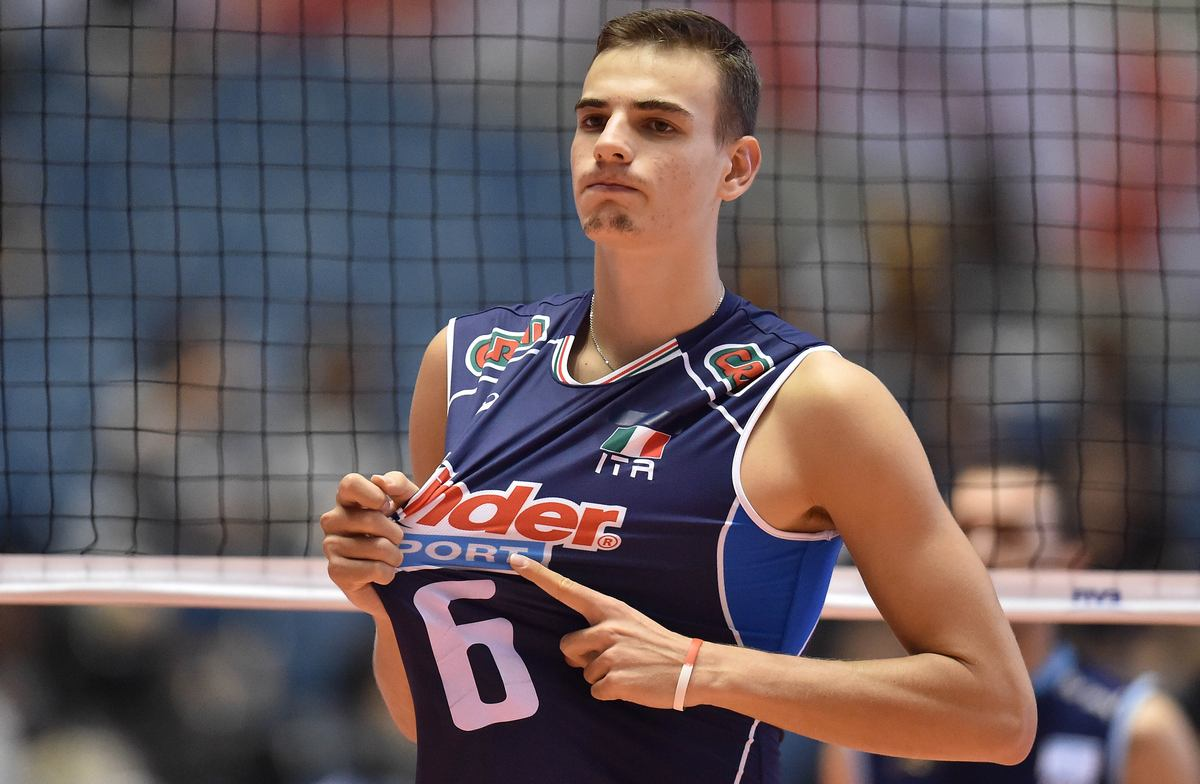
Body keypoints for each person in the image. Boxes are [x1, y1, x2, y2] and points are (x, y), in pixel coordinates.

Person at [320, 9, 1035, 783]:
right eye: (593, 119)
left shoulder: (812, 400)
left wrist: (702, 669)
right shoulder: (465, 363)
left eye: (657, 125)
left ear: (737, 168)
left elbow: (995, 711)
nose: (610, 143)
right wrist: (381, 594)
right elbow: (432, 716)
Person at [820, 465, 1200, 784]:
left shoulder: (1137, 729)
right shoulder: (864, 729)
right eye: (962, 530)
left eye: (1008, 533)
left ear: (1069, 565)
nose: (980, 552)